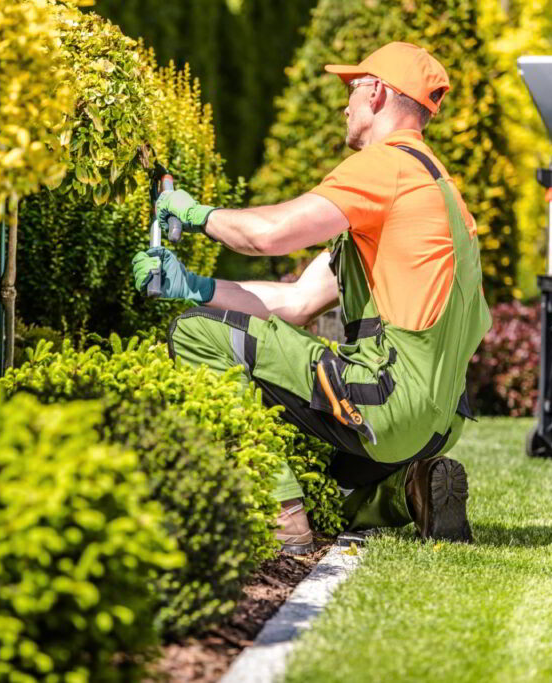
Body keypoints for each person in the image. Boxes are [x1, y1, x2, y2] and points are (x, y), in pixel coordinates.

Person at [131, 42, 491, 553]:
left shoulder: (385, 166)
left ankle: (279, 517)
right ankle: (406, 491)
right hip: (436, 423)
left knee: (193, 333)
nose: (345, 104)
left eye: (351, 90)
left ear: (377, 93)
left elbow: (269, 236)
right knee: (318, 474)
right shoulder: (438, 191)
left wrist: (196, 214)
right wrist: (194, 287)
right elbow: (298, 301)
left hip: (386, 400)